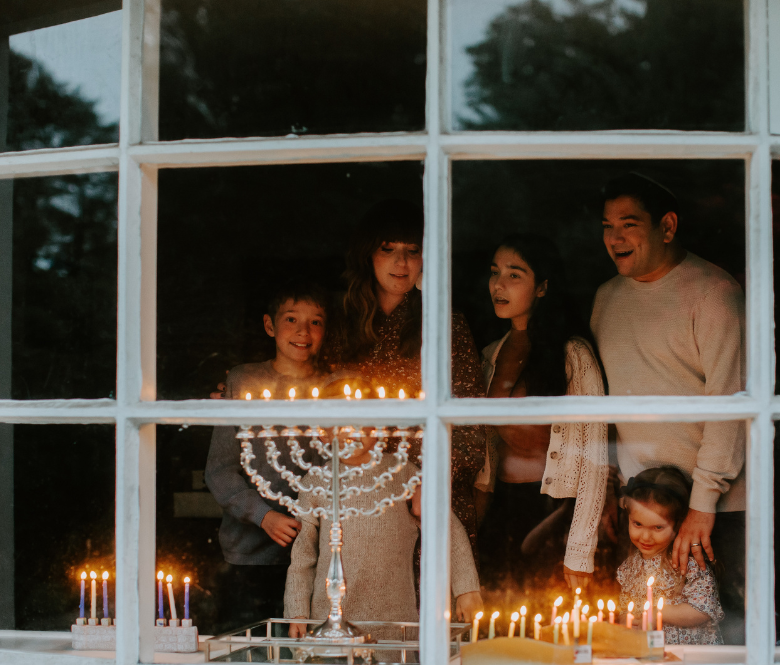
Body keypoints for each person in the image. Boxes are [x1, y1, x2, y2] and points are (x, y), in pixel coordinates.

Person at [590, 173, 746, 642]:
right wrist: (611, 490)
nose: (614, 237)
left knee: (724, 633)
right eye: (607, 225)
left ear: (668, 227)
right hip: (644, 510)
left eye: (629, 224)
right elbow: (608, 407)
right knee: (648, 638)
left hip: (711, 510)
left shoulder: (713, 293)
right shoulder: (606, 299)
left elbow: (732, 404)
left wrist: (703, 504)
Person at [331, 199, 486, 558]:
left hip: (426, 503)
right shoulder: (340, 322)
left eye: (412, 251)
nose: (401, 263)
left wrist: (430, 480)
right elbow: (307, 390)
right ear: (368, 254)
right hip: (356, 498)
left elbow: (470, 427)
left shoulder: (445, 323)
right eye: (388, 250)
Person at [475, 234, 608, 598]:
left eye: (514, 275)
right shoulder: (490, 355)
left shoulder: (572, 356)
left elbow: (595, 459)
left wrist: (580, 550)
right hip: (500, 512)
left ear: (543, 287)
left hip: (553, 512)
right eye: (494, 272)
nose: (499, 284)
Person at [205, 280, 342, 627]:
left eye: (316, 321)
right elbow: (219, 470)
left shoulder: (340, 387)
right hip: (250, 554)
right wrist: (263, 516)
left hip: (322, 553)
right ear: (270, 325)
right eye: (291, 319)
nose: (303, 331)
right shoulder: (243, 380)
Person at [285, 433, 482, 639]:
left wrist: (466, 588)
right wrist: (297, 612)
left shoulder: (403, 473)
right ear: (322, 436)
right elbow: (302, 555)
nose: (349, 431)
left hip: (394, 622)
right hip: (330, 625)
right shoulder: (315, 483)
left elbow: (445, 526)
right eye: (337, 424)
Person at [618, 466, 724, 645]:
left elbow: (704, 609)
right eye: (637, 524)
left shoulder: (688, 563)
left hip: (689, 655)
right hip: (650, 652)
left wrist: (657, 613)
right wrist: (627, 622)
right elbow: (624, 609)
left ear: (678, 524)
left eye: (658, 527)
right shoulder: (629, 567)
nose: (645, 537)